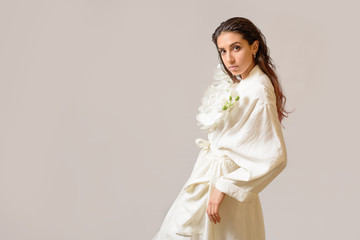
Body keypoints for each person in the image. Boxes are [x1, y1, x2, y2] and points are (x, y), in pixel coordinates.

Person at [152, 17, 289, 240]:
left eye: (236, 48)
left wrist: (224, 187)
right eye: (223, 51)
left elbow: (275, 156)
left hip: (224, 186)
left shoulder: (258, 89)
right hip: (210, 175)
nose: (229, 58)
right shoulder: (242, 83)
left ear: (254, 47)